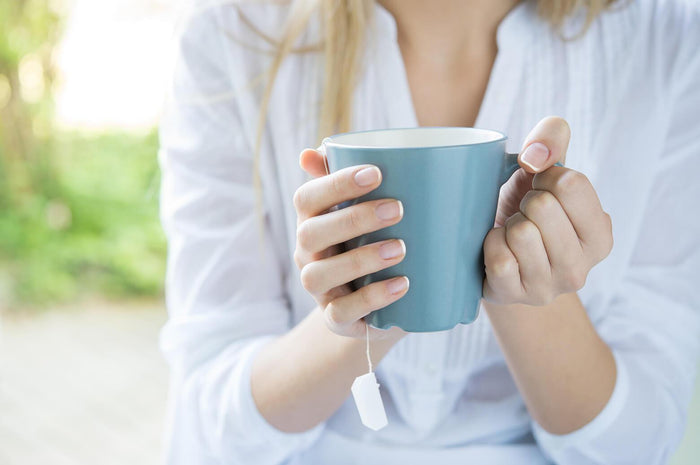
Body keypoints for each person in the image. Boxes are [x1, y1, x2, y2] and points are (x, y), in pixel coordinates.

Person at [157, 0, 700, 463]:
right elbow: (212, 432)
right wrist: (365, 304)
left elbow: (641, 442)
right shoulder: (233, 29)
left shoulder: (667, 35)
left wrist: (525, 283)